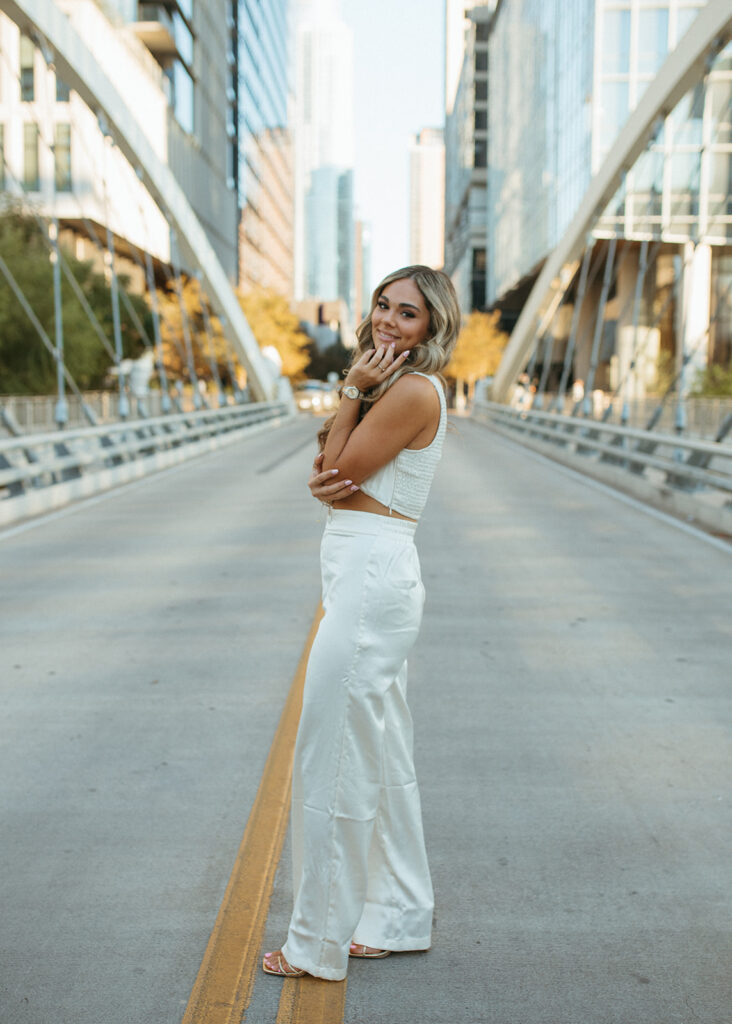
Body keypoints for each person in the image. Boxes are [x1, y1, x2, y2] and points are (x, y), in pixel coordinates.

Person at [263, 265, 461, 981]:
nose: (388, 320)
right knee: (383, 757)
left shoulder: (408, 390)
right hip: (370, 574)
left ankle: (316, 941)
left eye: (407, 314)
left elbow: (337, 466)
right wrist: (345, 424)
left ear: (432, 328)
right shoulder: (391, 388)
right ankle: (399, 915)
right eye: (383, 305)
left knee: (334, 760)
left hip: (371, 579)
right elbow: (331, 468)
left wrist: (347, 393)